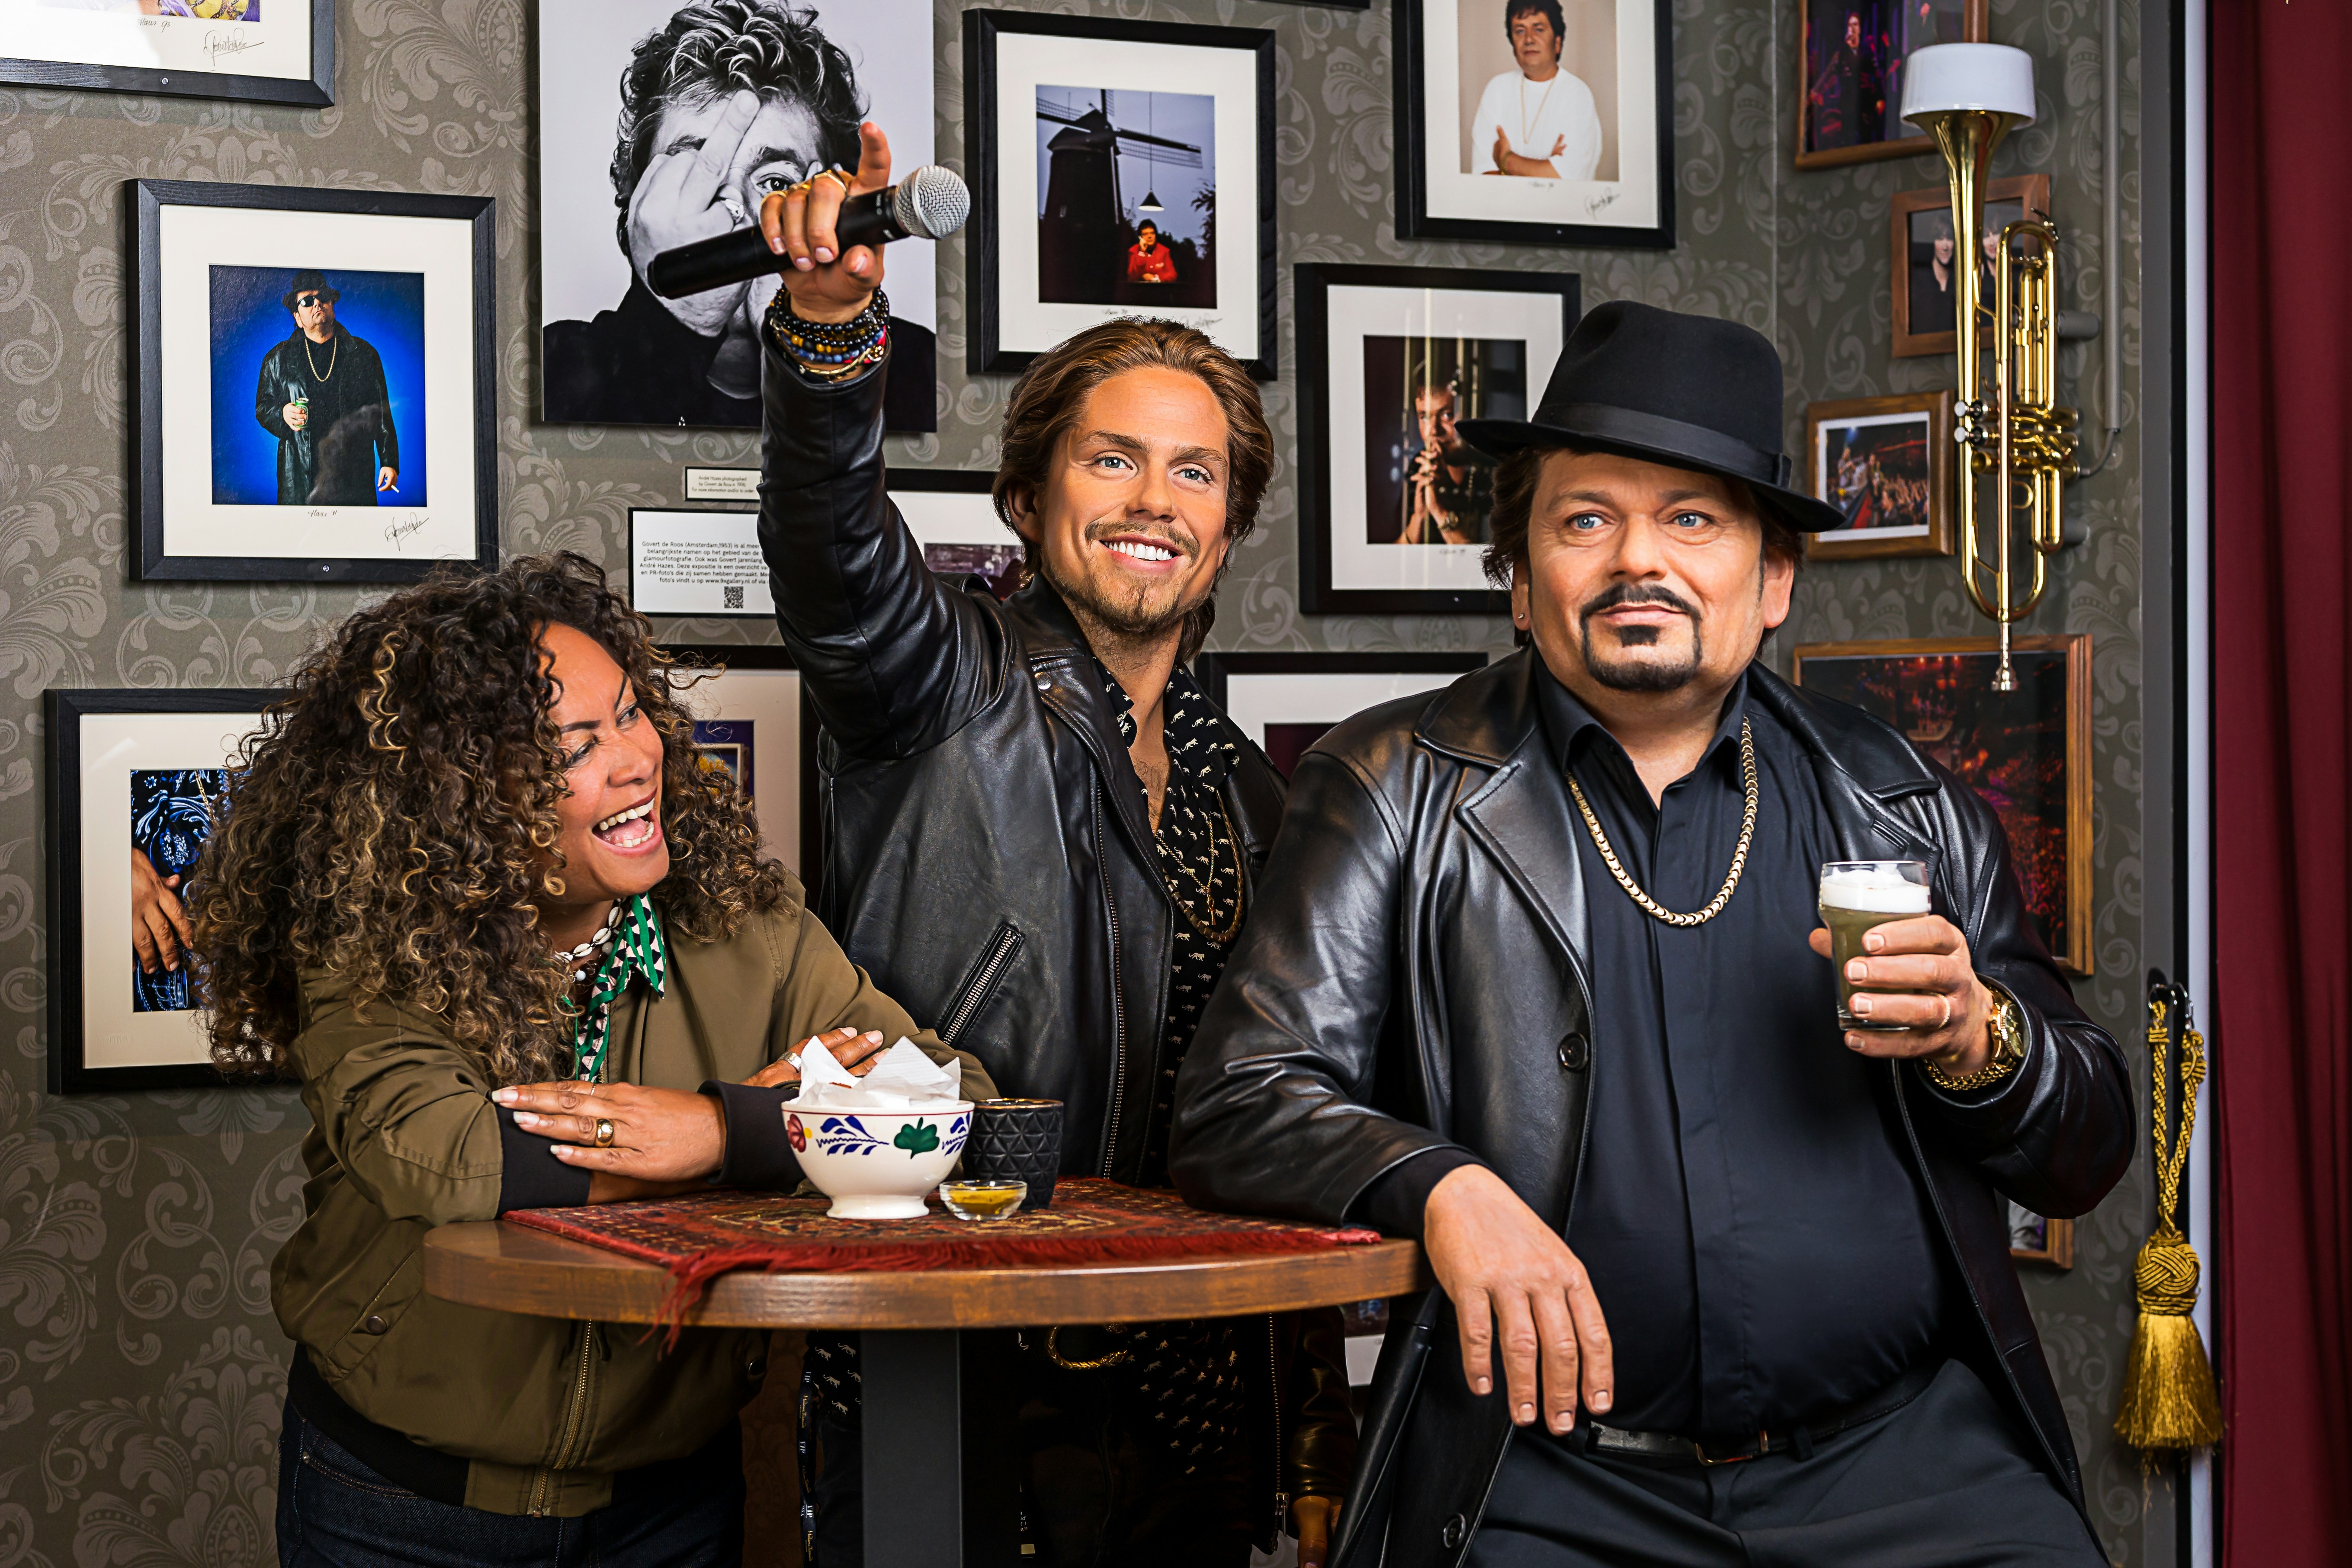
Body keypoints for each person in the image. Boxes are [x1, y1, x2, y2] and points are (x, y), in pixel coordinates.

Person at [1170, 301, 2133, 1568]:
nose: (1641, 560)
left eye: (1693, 518)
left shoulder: (1907, 799)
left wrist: (1979, 1033)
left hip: (1909, 1473)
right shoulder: (1394, 784)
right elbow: (1240, 1096)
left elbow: (2087, 1145)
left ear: (1773, 577)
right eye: (1586, 519)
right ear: (1519, 578)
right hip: (1547, 1480)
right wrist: (1441, 1182)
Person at [754, 125, 1354, 1566]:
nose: (1154, 498)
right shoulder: (934, 687)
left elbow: (1292, 1112)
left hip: (1190, 1389)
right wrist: (834, 340)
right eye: (1113, 458)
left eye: (1196, 473)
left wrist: (1311, 1425)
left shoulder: (1256, 799)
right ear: (1026, 500)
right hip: (942, 1363)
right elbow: (833, 549)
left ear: (1228, 526)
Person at [188, 552, 991, 1566]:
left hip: (667, 1506)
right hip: (401, 1503)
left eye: (627, 713)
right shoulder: (372, 943)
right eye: (572, 743)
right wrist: (777, 1126)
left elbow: (959, 1103)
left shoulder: (754, 930)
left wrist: (720, 1127)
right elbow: (453, 1159)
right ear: (455, 796)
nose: (631, 758)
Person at [543, 0, 935, 433]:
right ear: (635, 209)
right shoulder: (554, 369)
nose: (736, 212)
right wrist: (679, 321)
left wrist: (811, 344)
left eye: (774, 182)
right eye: (697, 178)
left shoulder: (920, 374)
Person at [252, 269, 398, 506]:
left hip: (353, 475)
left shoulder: (364, 354)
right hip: (300, 477)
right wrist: (282, 414)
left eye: (324, 297)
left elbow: (381, 413)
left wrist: (389, 462)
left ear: (332, 305)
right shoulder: (277, 359)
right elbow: (263, 408)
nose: (317, 303)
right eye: (308, 301)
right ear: (297, 318)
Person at [1469, 0, 1603, 181]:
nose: (1529, 39)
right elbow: (1485, 179)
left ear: (1557, 42)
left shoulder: (1577, 94)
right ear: (1513, 43)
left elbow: (1567, 179)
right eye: (1520, 31)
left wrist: (1505, 161)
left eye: (1538, 29)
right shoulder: (1497, 90)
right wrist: (1545, 167)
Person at [1399, 380, 1492, 545]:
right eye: (1425, 417)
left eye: (1447, 415)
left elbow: (1490, 564)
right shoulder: (1418, 468)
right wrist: (1418, 517)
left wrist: (1438, 511)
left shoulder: (1491, 472)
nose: (1434, 430)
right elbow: (1392, 557)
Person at [1809, 9, 1878, 151]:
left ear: (1859, 28)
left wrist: (1880, 98)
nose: (1852, 28)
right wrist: (1817, 91)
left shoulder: (1866, 51)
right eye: (1850, 25)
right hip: (1847, 103)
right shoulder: (1842, 52)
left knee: (1866, 139)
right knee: (1847, 140)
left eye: (1855, 25)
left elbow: (1876, 75)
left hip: (1865, 101)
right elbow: (1830, 73)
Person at [1908, 210, 1959, 334]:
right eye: (1940, 239)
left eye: (1950, 239)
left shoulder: (1961, 280)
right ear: (1933, 242)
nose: (1945, 246)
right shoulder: (1917, 279)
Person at [1127, 218, 1178, 285]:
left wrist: (1155, 278)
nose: (1150, 237)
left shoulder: (1164, 251)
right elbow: (1132, 275)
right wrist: (1142, 252)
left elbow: (1172, 274)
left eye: (1152, 233)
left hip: (1160, 291)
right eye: (1146, 234)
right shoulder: (1134, 251)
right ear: (1140, 237)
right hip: (1139, 291)